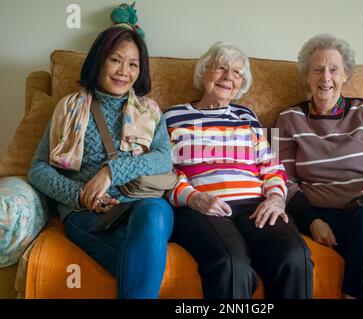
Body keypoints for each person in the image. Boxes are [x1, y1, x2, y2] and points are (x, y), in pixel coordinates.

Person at [28, 27, 174, 299]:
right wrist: (80, 196)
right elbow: (38, 169)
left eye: (133, 64)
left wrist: (111, 171)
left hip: (141, 203)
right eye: (115, 60)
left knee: (154, 213)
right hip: (87, 213)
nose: (123, 72)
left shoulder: (151, 112)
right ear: (99, 60)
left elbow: (163, 157)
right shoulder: (69, 108)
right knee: (141, 263)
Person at [164, 42, 313, 299]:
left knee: (294, 256)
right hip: (202, 206)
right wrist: (193, 196)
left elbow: (271, 165)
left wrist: (276, 198)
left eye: (236, 73)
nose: (228, 77)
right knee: (232, 265)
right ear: (203, 72)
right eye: (221, 68)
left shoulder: (246, 116)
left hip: (254, 204)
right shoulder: (173, 116)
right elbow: (163, 171)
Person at [275, 34, 363, 299]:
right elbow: (284, 181)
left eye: (334, 69)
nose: (325, 77)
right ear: (306, 76)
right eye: (317, 69)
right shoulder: (289, 118)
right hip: (329, 216)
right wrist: (312, 220)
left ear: (345, 75)